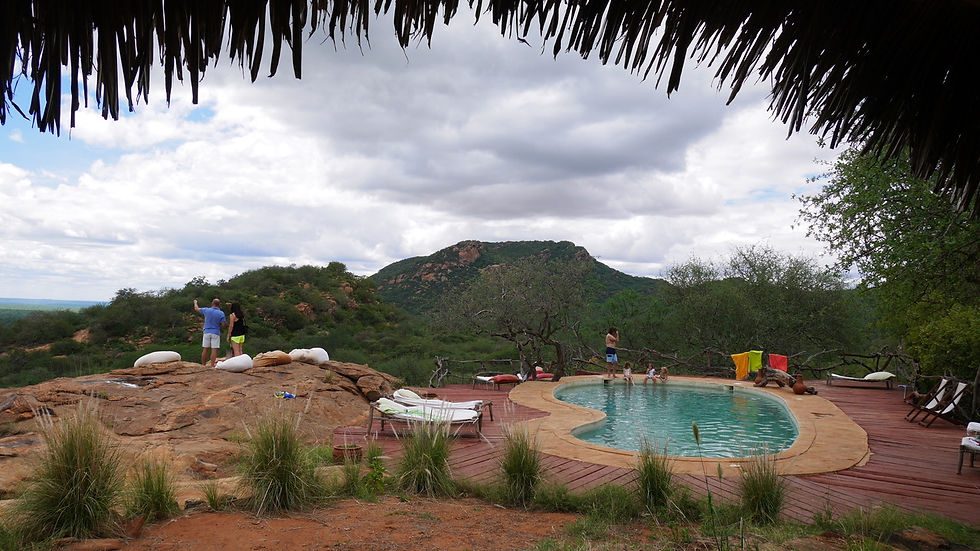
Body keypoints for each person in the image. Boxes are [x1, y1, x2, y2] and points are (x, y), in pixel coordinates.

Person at [194, 298, 226, 367]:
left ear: (212, 303)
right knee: (214, 350)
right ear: (219, 304)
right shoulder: (221, 313)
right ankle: (212, 365)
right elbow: (223, 324)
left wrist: (195, 302)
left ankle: (203, 365)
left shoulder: (206, 310)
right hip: (215, 332)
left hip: (206, 331)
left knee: (205, 349)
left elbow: (196, 309)